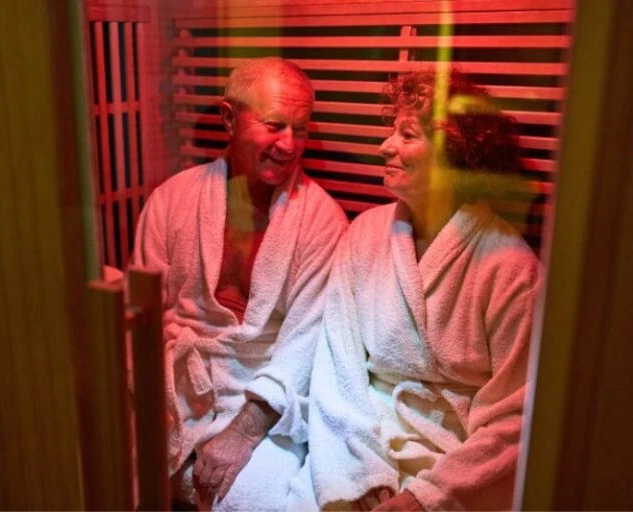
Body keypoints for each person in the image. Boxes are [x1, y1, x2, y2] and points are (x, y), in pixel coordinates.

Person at [293, 70, 542, 511]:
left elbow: (516, 419)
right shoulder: (365, 234)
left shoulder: (510, 267)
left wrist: (426, 498)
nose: (385, 146)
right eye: (391, 132)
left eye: (407, 135)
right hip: (365, 437)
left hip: (457, 463)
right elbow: (337, 368)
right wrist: (358, 476)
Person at [132, 57, 347, 510]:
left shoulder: (322, 221)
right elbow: (143, 319)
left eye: (301, 129)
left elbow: (305, 343)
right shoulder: (172, 200)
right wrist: (148, 404)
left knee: (257, 500)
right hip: (176, 381)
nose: (289, 144)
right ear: (229, 118)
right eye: (274, 125)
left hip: (262, 395)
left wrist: (243, 432)